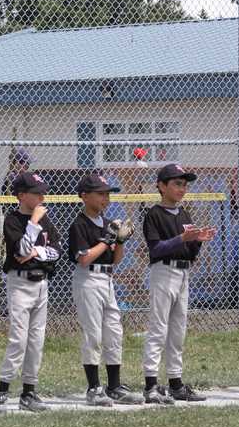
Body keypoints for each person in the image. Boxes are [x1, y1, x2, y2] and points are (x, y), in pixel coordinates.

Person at [141, 163, 216, 404]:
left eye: (184, 185)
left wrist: (198, 240)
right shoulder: (154, 214)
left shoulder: (184, 214)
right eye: (176, 183)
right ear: (162, 186)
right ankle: (151, 385)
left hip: (183, 273)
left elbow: (190, 253)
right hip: (164, 271)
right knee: (158, 328)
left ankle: (175, 383)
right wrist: (181, 238)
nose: (182, 188)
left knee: (178, 330)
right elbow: (156, 248)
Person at [68, 173, 143, 406]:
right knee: (93, 334)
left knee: (114, 332)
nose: (106, 198)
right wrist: (107, 240)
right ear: (84, 196)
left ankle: (114, 386)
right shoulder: (79, 224)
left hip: (107, 279)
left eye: (107, 194)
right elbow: (84, 258)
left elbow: (116, 260)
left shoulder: (108, 223)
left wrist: (119, 241)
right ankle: (93, 388)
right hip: (88, 279)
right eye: (100, 194)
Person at [0, 171, 62, 414]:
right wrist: (33, 224)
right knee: (18, 340)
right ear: (21, 195)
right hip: (20, 284)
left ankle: (29, 392)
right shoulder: (13, 220)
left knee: (36, 341)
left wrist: (37, 252)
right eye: (36, 193)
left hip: (42, 284)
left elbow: (57, 251)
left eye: (43, 193)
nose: (42, 197)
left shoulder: (45, 220)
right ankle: (2, 390)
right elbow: (21, 252)